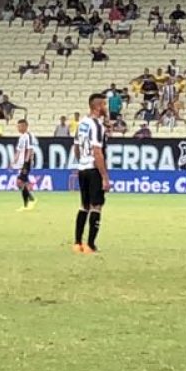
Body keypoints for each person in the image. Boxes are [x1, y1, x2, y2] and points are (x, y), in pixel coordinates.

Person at [73, 93, 111, 254]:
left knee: (84, 206)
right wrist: (104, 177)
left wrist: (82, 162)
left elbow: (75, 147)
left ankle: (77, 243)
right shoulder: (97, 125)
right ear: (97, 106)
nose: (106, 108)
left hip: (82, 168)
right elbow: (97, 152)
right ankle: (90, 245)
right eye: (104, 104)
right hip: (94, 169)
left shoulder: (81, 123)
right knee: (96, 206)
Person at [13, 119, 39, 211]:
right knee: (22, 183)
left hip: (26, 163)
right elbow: (18, 151)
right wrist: (13, 162)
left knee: (19, 182)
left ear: (25, 126)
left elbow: (30, 150)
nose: (18, 128)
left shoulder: (29, 136)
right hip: (22, 163)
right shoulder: (21, 137)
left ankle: (27, 203)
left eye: (19, 126)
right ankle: (29, 201)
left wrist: (27, 162)